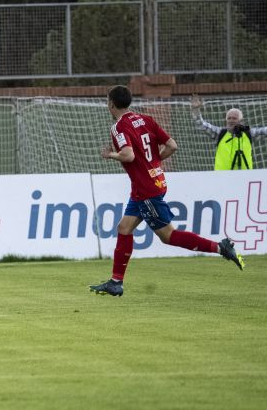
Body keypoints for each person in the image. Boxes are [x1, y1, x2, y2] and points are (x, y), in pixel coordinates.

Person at [90, 86, 245, 297]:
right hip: (152, 183)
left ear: (111, 104)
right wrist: (154, 162)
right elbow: (172, 145)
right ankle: (116, 282)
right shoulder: (146, 119)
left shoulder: (118, 127)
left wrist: (110, 155)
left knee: (168, 236)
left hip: (146, 190)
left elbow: (128, 156)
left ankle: (220, 247)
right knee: (124, 228)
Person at [191, 94, 267, 170]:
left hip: (244, 179)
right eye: (229, 118)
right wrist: (196, 110)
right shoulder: (219, 133)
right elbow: (201, 124)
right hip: (221, 179)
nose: (231, 121)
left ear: (241, 121)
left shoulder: (249, 133)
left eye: (234, 118)